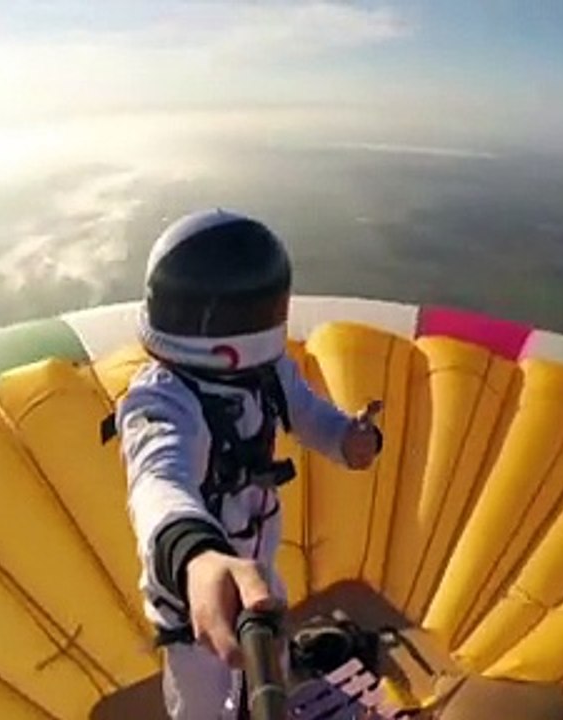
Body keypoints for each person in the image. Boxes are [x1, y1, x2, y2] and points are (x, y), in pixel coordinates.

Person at [112, 209, 383, 719]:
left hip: (255, 575)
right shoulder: (161, 402)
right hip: (196, 601)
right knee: (201, 701)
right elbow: (158, 482)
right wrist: (199, 558)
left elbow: (307, 413)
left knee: (270, 662)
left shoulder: (267, 373)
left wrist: (347, 438)